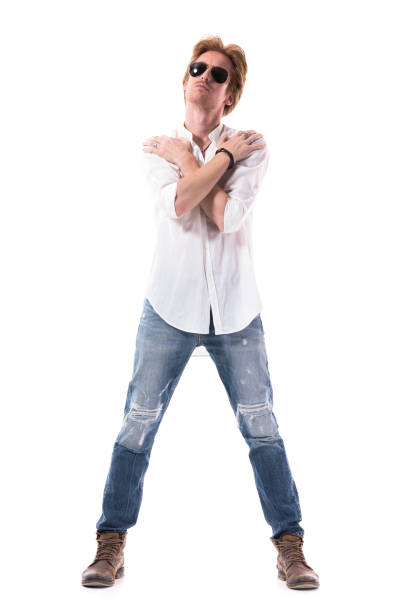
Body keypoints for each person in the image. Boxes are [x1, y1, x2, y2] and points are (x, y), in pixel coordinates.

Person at [81, 35, 319, 591]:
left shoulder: (252, 146)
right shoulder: (154, 147)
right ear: (185, 77)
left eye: (216, 74)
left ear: (229, 94)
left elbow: (229, 218)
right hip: (168, 307)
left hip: (237, 311)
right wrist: (208, 162)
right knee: (138, 422)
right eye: (197, 68)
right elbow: (180, 203)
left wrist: (209, 159)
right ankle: (109, 543)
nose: (203, 77)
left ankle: (291, 547)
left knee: (262, 426)